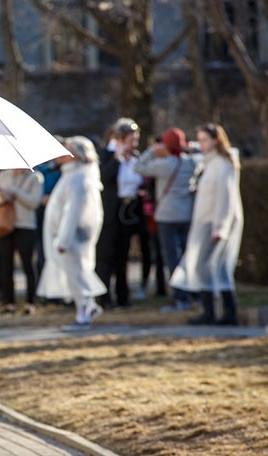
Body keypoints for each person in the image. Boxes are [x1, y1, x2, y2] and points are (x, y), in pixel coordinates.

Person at [170, 124, 243, 325]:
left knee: (211, 266)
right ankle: (213, 311)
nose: (201, 144)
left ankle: (224, 312)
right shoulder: (210, 163)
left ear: (216, 140)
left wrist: (220, 226)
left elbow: (225, 198)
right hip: (205, 220)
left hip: (215, 222)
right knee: (208, 267)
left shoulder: (223, 164)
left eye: (204, 139)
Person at [37, 136, 107, 330]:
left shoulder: (80, 178)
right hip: (68, 237)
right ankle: (85, 309)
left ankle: (84, 313)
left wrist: (64, 239)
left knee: (78, 275)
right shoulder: (72, 174)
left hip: (73, 238)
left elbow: (74, 211)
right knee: (75, 275)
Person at [134, 127, 196, 311]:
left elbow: (138, 167)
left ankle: (180, 297)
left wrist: (152, 151)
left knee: (172, 259)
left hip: (167, 217)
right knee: (186, 256)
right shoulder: (189, 162)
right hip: (187, 215)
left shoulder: (164, 165)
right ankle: (193, 294)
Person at [95, 118, 149, 307]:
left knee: (123, 256)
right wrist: (117, 158)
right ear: (119, 139)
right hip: (110, 212)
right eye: (130, 139)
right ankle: (103, 296)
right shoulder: (106, 154)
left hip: (128, 212)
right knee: (105, 255)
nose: (133, 144)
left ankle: (123, 295)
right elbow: (103, 178)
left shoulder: (135, 157)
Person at [0, 168, 44, 314]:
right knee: (6, 265)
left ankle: (30, 302)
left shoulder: (35, 177)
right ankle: (9, 303)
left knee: (27, 264)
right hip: (5, 225)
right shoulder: (2, 176)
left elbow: (33, 202)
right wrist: (4, 197)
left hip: (25, 225)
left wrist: (15, 192)